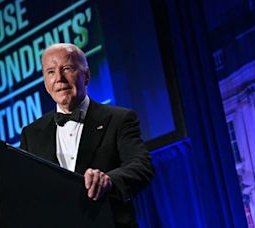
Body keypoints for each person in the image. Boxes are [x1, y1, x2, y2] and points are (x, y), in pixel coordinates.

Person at [20, 43, 154, 227]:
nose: (59, 78)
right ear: (45, 84)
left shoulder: (119, 119)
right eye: (51, 72)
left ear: (87, 76)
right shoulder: (31, 134)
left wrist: (109, 181)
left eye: (67, 69)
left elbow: (141, 166)